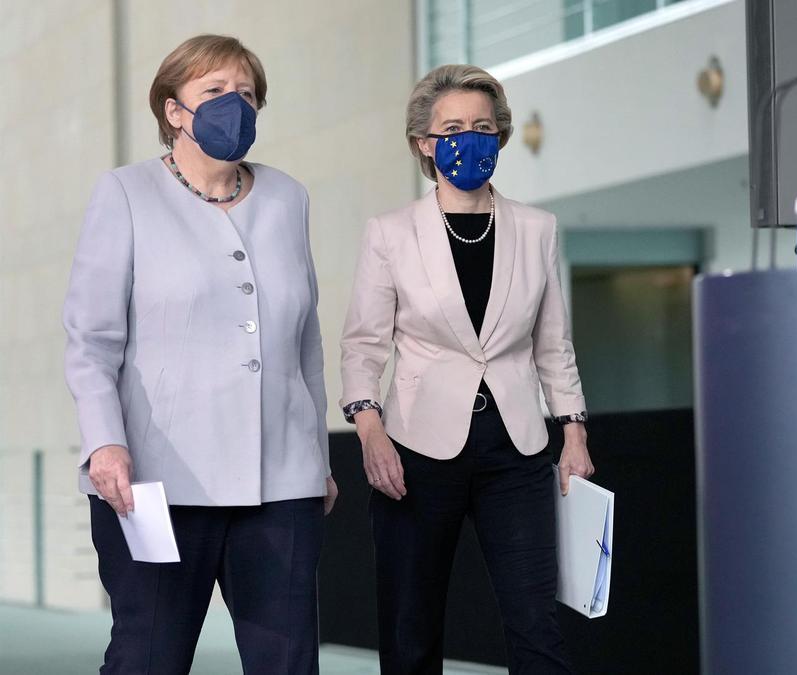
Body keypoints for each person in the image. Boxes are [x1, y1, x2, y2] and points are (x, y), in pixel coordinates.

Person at [62, 34, 335, 674]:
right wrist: (104, 442)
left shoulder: (288, 197)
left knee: (289, 663)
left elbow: (306, 342)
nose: (233, 105)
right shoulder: (125, 194)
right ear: (173, 110)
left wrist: (316, 456)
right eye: (214, 91)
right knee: (147, 658)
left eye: (246, 93)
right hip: (156, 482)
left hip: (282, 481)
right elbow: (91, 339)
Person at [340, 64, 594, 674]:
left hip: (517, 447)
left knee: (536, 623)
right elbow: (363, 345)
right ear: (424, 144)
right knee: (411, 624)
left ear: (501, 137)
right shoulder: (391, 233)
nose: (470, 139)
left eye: (483, 127)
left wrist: (574, 433)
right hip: (415, 450)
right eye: (452, 128)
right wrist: (370, 432)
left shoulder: (537, 229)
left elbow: (552, 343)